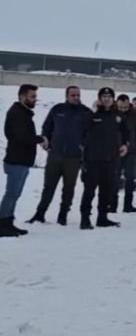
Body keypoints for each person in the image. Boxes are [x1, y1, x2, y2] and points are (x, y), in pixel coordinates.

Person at [30, 86, 91, 225]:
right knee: (48, 187)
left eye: (78, 95)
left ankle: (63, 214)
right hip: (55, 155)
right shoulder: (57, 109)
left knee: (69, 188)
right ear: (66, 96)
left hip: (73, 157)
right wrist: (46, 142)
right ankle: (40, 213)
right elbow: (47, 127)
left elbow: (91, 133)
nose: (76, 97)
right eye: (73, 95)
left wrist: (83, 146)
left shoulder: (85, 112)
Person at [79, 87, 128, 229]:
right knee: (89, 190)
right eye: (104, 96)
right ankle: (85, 219)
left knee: (106, 190)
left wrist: (125, 145)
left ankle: (102, 217)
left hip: (111, 159)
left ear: (113, 99)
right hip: (93, 159)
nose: (106, 99)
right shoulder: (92, 114)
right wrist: (92, 112)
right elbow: (83, 128)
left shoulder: (118, 115)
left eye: (109, 96)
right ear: (99, 98)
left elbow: (126, 132)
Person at [2, 84, 46, 237]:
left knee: (15, 194)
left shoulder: (24, 113)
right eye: (32, 96)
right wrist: (40, 139)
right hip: (16, 161)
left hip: (22, 161)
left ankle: (8, 222)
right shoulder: (17, 114)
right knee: (11, 193)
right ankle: (2, 224)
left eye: (35, 96)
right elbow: (21, 137)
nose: (35, 99)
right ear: (22, 97)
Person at [112, 93, 136, 213]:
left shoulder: (135, 115)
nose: (123, 110)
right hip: (114, 151)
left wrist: (134, 141)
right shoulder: (112, 113)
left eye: (125, 107)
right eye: (120, 107)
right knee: (114, 177)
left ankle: (128, 204)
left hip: (131, 151)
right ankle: (112, 204)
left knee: (130, 178)